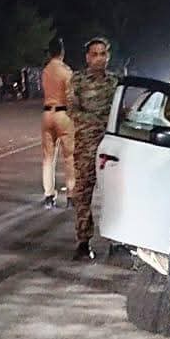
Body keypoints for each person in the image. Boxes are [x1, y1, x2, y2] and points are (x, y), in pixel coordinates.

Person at [68, 36, 118, 261]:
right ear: (87, 58)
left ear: (108, 56)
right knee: (83, 194)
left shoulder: (115, 82)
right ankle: (83, 241)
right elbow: (73, 110)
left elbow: (121, 112)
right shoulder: (77, 80)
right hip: (86, 146)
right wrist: (101, 121)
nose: (99, 58)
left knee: (114, 193)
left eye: (103, 54)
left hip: (112, 147)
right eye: (94, 54)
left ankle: (117, 239)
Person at [40, 37, 75, 209]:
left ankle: (49, 195)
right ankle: (71, 196)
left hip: (47, 114)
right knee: (69, 157)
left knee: (48, 158)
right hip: (62, 114)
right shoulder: (66, 71)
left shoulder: (45, 71)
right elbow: (71, 96)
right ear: (62, 52)